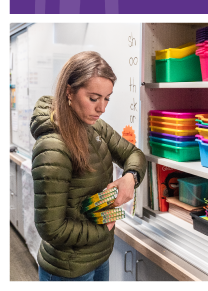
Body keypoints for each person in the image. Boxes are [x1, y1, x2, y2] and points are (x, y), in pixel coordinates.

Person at [31, 51, 147, 282]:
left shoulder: (95, 128)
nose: (102, 108)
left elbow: (133, 154)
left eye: (107, 98)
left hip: (98, 257)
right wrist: (103, 229)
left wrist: (130, 178)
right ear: (69, 92)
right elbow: (51, 229)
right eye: (94, 98)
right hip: (68, 269)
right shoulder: (53, 148)